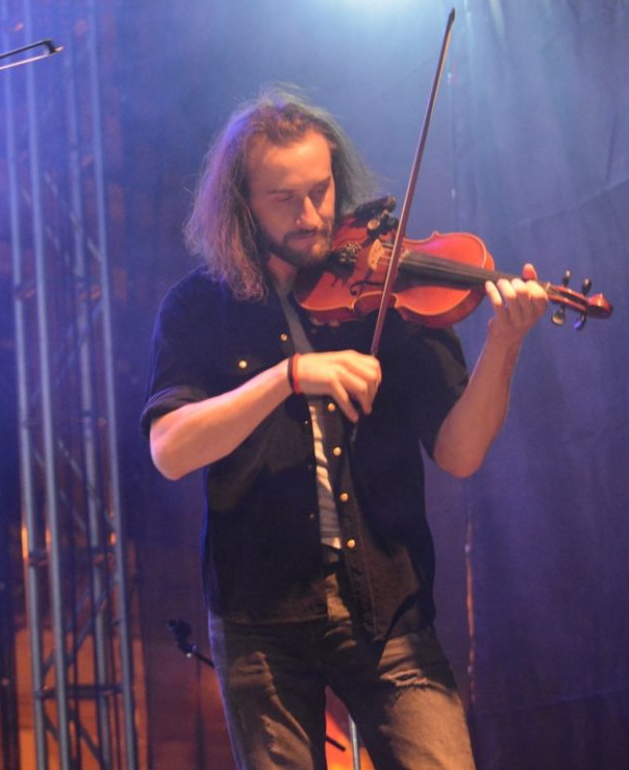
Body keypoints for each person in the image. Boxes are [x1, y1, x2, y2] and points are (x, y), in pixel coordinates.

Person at [142, 88, 548, 769]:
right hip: (260, 614)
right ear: (242, 203)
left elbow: (460, 452)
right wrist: (288, 376)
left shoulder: (391, 286)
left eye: (321, 190)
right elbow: (170, 450)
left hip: (389, 605)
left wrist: (503, 345)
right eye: (283, 199)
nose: (311, 216)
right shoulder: (198, 308)